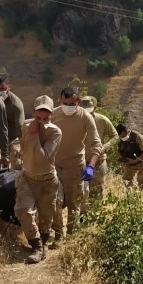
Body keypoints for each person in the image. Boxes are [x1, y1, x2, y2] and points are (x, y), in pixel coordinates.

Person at [14, 95, 62, 264]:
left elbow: (43, 158)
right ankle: (36, 246)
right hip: (27, 177)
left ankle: (44, 242)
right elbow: (16, 142)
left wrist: (34, 135)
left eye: (46, 118)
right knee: (24, 211)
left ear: (51, 116)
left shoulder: (55, 131)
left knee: (46, 216)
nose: (41, 121)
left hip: (47, 180)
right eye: (38, 117)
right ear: (33, 112)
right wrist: (17, 151)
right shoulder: (25, 126)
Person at [50, 86, 102, 242]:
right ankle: (58, 235)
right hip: (56, 166)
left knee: (75, 204)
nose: (68, 107)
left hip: (76, 167)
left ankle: (72, 237)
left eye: (72, 104)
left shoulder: (85, 117)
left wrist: (91, 166)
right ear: (60, 100)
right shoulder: (54, 114)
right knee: (56, 201)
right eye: (65, 103)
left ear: (78, 101)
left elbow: (96, 143)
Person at [80, 96, 117, 210]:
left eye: (90, 111)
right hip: (80, 163)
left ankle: (93, 218)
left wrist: (105, 147)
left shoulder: (102, 120)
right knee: (80, 193)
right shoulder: (75, 120)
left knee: (96, 193)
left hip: (98, 163)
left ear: (95, 108)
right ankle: (81, 217)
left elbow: (115, 136)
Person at [0, 72, 26, 171]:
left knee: (16, 166)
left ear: (9, 87)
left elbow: (20, 129)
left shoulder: (16, 104)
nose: (0, 92)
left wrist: (23, 149)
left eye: (3, 89)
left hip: (13, 138)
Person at [116, 122, 143, 192]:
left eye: (124, 136)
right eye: (121, 137)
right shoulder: (120, 139)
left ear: (128, 131)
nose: (123, 138)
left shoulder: (138, 137)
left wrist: (134, 161)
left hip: (141, 165)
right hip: (129, 166)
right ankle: (129, 200)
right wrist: (123, 160)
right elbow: (119, 153)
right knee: (126, 184)